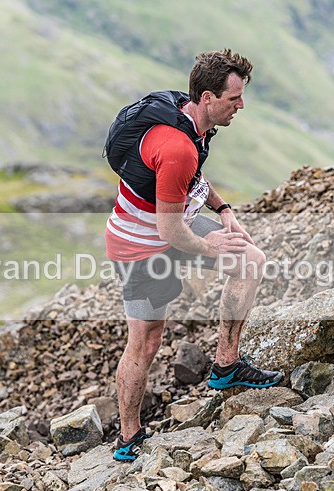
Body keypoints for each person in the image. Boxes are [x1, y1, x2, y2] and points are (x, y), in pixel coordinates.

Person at [104, 49, 283, 462]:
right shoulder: (176, 145)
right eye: (234, 99)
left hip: (177, 222)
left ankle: (226, 366)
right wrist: (211, 245)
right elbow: (170, 232)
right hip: (139, 244)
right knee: (146, 342)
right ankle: (128, 438)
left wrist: (223, 211)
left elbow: (193, 177)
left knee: (250, 262)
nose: (241, 106)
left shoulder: (191, 121)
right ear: (207, 96)